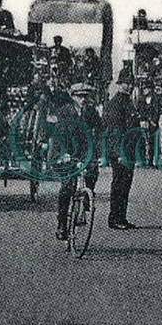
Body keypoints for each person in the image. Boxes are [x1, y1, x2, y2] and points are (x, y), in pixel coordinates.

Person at [55, 83, 103, 241]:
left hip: (85, 151)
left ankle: (86, 201)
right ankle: (62, 223)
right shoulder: (64, 112)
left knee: (92, 172)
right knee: (67, 186)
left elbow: (100, 132)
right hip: (67, 151)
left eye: (85, 96)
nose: (83, 99)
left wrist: (100, 153)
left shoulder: (91, 112)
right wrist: (63, 153)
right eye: (79, 96)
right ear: (72, 97)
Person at [103, 80, 138, 229]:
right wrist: (119, 153)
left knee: (124, 184)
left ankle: (121, 217)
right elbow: (116, 131)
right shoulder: (118, 103)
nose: (129, 86)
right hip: (121, 152)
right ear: (121, 85)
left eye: (130, 83)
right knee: (120, 184)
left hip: (125, 151)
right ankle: (115, 218)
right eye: (126, 83)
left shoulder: (122, 101)